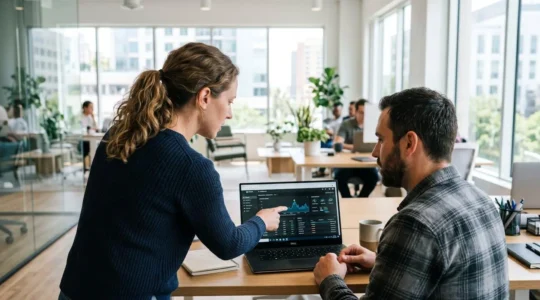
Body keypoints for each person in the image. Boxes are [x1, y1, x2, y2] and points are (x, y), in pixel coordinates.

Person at [59, 43, 287, 300]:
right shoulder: (192, 167)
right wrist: (261, 221)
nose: (230, 114)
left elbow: (133, 218)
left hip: (75, 289)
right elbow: (229, 245)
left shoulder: (118, 135)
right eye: (230, 101)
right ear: (204, 97)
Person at [313, 87, 508, 299]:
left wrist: (330, 279)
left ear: (409, 143)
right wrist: (383, 260)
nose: (374, 152)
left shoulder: (415, 224)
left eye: (381, 140)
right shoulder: (482, 201)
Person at [333, 100, 379, 197]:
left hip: (366, 163)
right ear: (356, 112)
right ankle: (348, 199)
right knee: (338, 177)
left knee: (374, 177)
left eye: (366, 113)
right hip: (347, 163)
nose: (364, 116)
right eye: (361, 112)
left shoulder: (373, 126)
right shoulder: (346, 124)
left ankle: (362, 198)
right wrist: (354, 147)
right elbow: (338, 142)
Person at [314, 103, 344, 178]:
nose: (335, 111)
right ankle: (320, 167)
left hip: (334, 140)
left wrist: (329, 132)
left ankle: (321, 170)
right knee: (317, 144)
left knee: (329, 146)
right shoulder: (329, 120)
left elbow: (332, 133)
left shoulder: (343, 121)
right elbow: (324, 131)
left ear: (341, 110)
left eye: (337, 110)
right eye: (334, 110)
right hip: (326, 139)